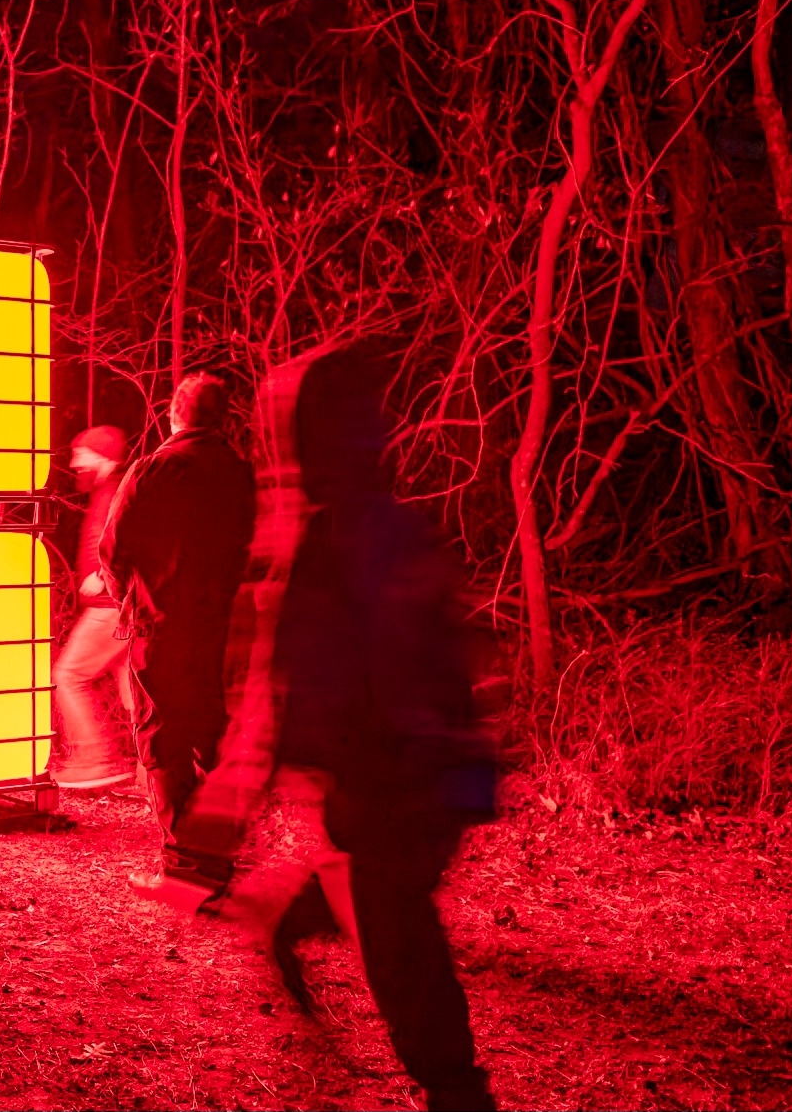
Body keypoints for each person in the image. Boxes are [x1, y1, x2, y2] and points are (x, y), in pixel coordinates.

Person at [272, 343, 497, 1111]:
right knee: (389, 898)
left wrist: (306, 746)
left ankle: (455, 1088)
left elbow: (323, 658)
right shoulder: (396, 527)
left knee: (396, 924)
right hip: (422, 765)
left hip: (396, 768)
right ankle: (293, 920)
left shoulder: (339, 538)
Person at [102, 372, 257, 878]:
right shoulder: (237, 472)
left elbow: (113, 546)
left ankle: (185, 857)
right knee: (212, 729)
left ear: (174, 414)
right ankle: (216, 846)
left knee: (161, 732)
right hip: (222, 624)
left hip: (161, 623)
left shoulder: (156, 468)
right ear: (222, 418)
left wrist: (127, 594)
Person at [47, 425, 138, 789]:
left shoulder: (115, 492)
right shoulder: (111, 490)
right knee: (135, 693)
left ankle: (95, 759)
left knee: (68, 675)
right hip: (120, 605)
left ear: (100, 456)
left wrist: (103, 572)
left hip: (109, 607)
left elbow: (129, 535)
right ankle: (152, 775)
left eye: (80, 454)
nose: (74, 462)